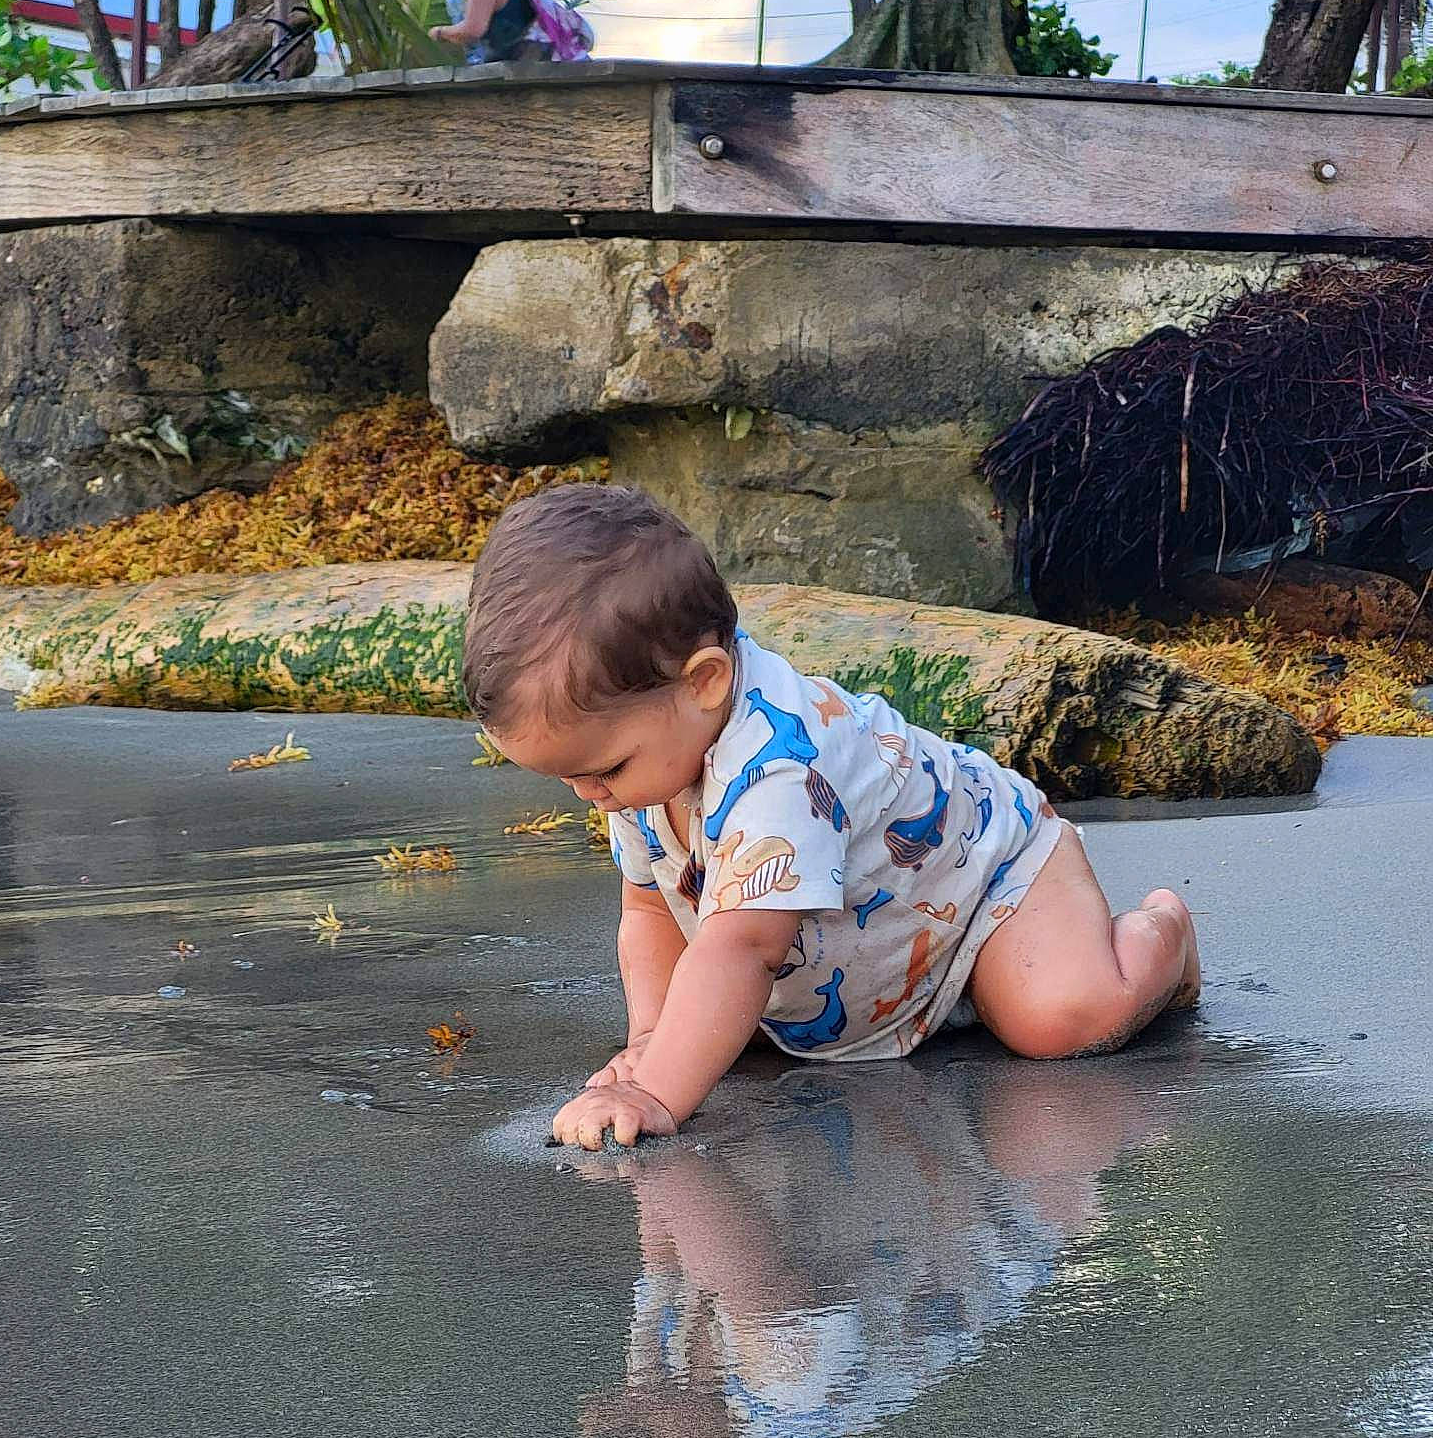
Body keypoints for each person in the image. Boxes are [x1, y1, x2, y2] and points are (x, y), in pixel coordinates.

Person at [462, 484, 1201, 1150]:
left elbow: (742, 951)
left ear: (705, 684)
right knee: (714, 1030)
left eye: (603, 770)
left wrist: (655, 1091)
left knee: (1057, 1018)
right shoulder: (650, 756)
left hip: (990, 884)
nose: (589, 794)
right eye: (567, 776)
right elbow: (650, 909)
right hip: (882, 942)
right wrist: (653, 1040)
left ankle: (1162, 938)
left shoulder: (783, 769)